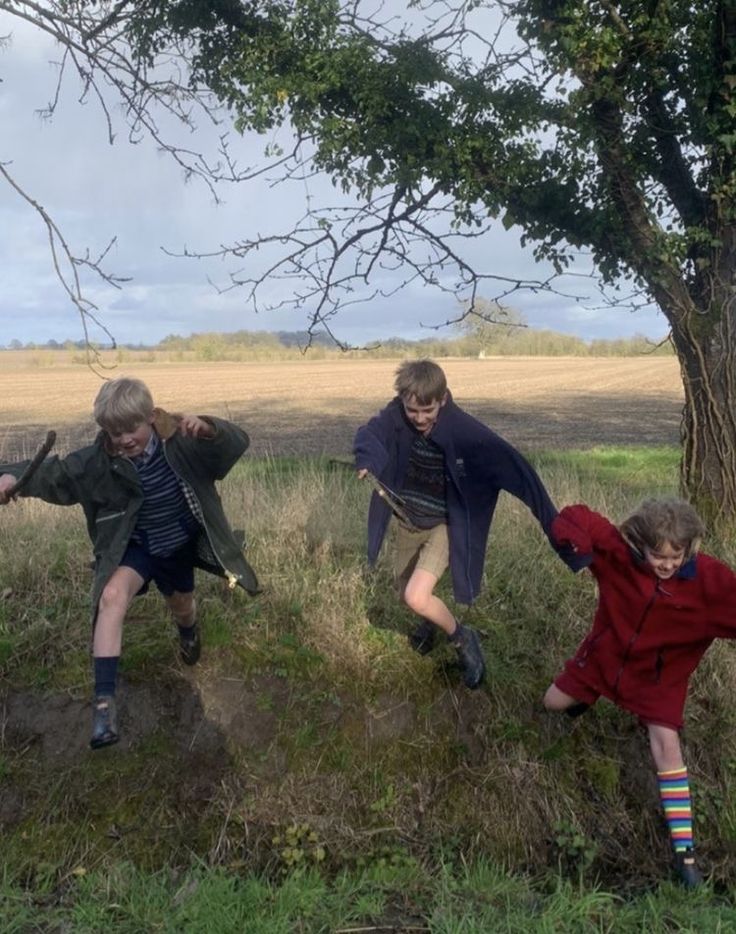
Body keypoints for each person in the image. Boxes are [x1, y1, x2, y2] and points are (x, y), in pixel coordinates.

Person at [0, 377, 260, 750]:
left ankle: (188, 631)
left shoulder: (182, 444)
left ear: (151, 417)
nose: (122, 439)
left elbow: (235, 446)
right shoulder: (98, 462)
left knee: (182, 605)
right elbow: (56, 474)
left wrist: (210, 429)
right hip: (137, 548)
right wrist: (11, 478)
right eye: (112, 432)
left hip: (180, 545)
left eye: (130, 428)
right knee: (111, 597)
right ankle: (105, 706)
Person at [353, 358, 582, 689]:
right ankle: (430, 623)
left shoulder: (466, 431)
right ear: (403, 399)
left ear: (442, 399)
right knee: (404, 591)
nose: (418, 419)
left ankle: (463, 638)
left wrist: (558, 528)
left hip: (446, 524)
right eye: (412, 410)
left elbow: (518, 470)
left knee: (416, 596)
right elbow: (370, 432)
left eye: (427, 411)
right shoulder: (396, 415)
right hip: (408, 519)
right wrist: (367, 458)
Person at [544, 497, 736, 887]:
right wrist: (575, 547)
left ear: (689, 547)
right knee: (551, 703)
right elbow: (576, 516)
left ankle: (686, 858)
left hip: (657, 681)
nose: (666, 565)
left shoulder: (709, 583)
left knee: (666, 747)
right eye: (656, 556)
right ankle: (584, 705)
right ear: (639, 545)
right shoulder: (618, 555)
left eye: (676, 556)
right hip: (604, 660)